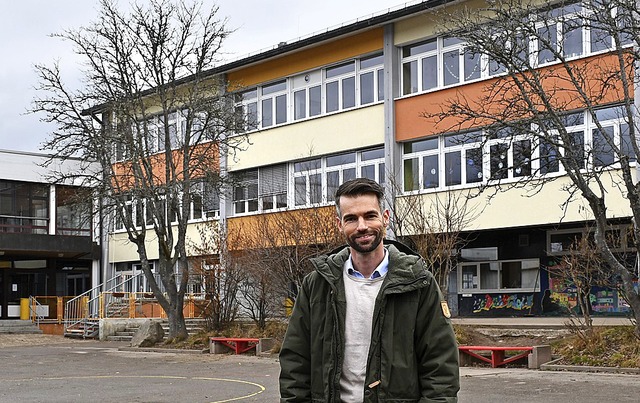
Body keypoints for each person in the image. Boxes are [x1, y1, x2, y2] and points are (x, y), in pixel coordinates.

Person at [279, 178, 459, 402]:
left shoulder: (419, 283)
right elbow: (295, 363)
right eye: (351, 218)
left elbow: (440, 366)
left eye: (370, 215)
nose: (362, 226)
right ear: (339, 224)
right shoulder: (316, 285)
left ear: (385, 218)